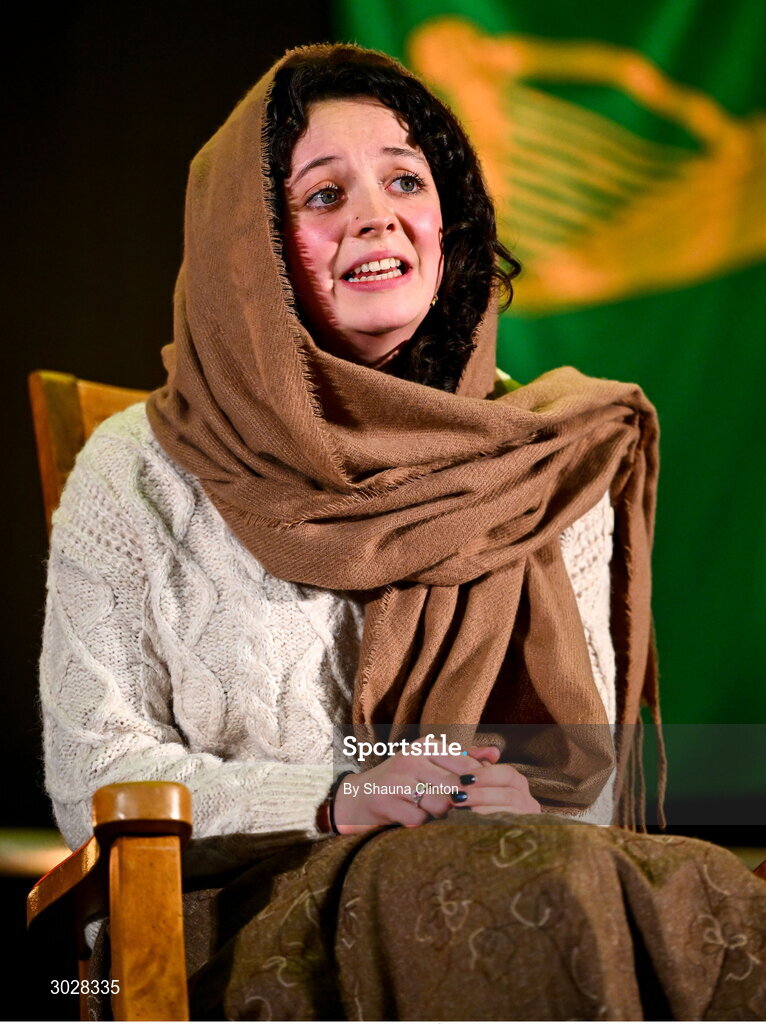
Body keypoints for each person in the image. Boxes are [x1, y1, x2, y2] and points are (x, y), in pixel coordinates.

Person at [40, 43, 766, 1021]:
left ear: (450, 217)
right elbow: (96, 774)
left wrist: (508, 804)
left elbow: (585, 787)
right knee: (506, 886)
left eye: (404, 180)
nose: (376, 215)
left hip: (539, 885)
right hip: (237, 925)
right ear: (242, 249)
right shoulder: (137, 468)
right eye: (323, 196)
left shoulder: (547, 459)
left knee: (705, 898)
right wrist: (343, 793)